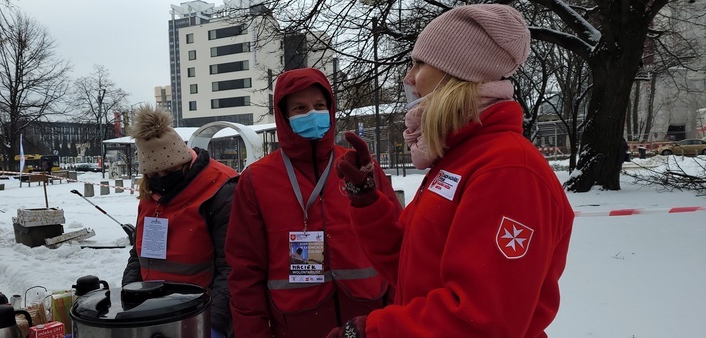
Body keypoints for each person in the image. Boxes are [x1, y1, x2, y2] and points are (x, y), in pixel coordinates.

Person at [329, 4, 574, 337]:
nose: (409, 77)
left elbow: (481, 319)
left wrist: (372, 332)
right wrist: (368, 201)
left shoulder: (508, 170)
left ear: (456, 71)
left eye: (420, 63)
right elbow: (409, 265)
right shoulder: (458, 159)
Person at [225, 68, 403, 338]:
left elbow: (399, 243)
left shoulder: (358, 166)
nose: (312, 113)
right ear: (284, 116)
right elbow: (245, 269)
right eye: (300, 107)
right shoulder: (256, 179)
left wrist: (397, 313)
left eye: (319, 105)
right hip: (296, 323)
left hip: (368, 320)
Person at [121, 106, 238, 338]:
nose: (162, 179)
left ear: (185, 161)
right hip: (154, 313)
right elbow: (138, 254)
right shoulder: (150, 192)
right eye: (154, 175)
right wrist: (128, 293)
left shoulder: (220, 189)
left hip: (200, 313)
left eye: (170, 171)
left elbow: (231, 266)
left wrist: (215, 322)